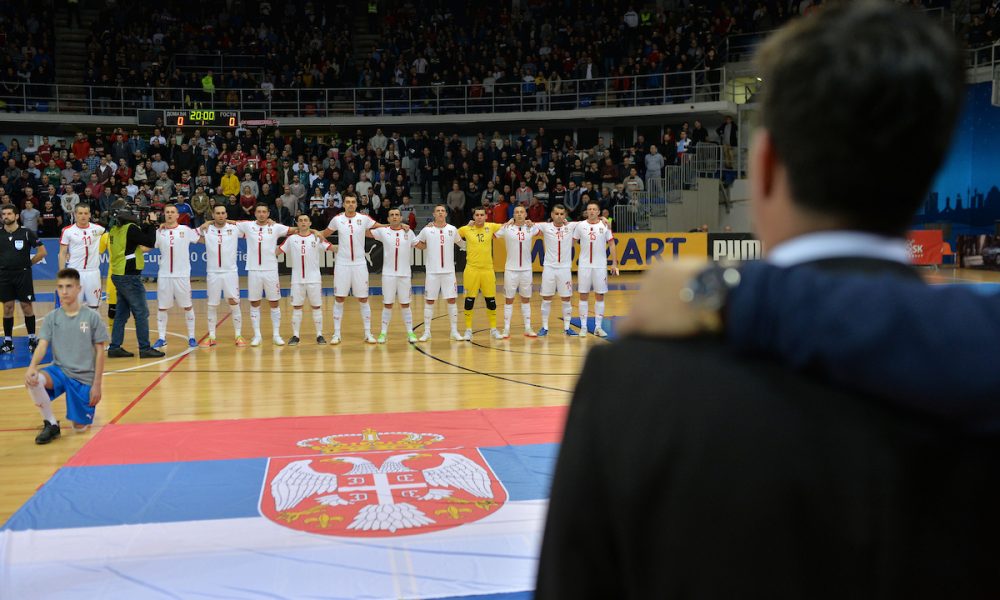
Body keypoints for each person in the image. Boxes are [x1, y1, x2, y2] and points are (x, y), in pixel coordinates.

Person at [537, 4, 1000, 598]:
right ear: (928, 170)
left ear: (766, 164)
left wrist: (722, 286)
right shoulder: (976, 365)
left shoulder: (630, 382)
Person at [24, 268, 108, 444]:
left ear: (78, 288)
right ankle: (51, 423)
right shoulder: (52, 317)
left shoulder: (92, 317)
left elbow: (100, 352)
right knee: (34, 380)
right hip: (59, 371)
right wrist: (32, 367)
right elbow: (42, 345)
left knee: (79, 428)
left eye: (69, 286)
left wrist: (97, 385)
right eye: (60, 287)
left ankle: (80, 409)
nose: (64, 291)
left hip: (84, 378)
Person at [106, 204, 165, 358]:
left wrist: (146, 225)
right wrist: (152, 224)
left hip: (119, 274)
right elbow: (150, 242)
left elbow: (138, 239)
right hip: (129, 276)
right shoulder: (130, 228)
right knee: (141, 312)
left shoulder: (114, 229)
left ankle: (114, 347)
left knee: (121, 313)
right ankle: (145, 348)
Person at [320, 193, 379, 345]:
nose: (351, 204)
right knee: (339, 298)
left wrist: (397, 226)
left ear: (356, 204)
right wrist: (327, 245)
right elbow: (323, 234)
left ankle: (368, 333)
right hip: (342, 264)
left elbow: (381, 227)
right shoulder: (337, 219)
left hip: (359, 264)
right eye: (348, 202)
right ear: (344, 204)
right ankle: (336, 334)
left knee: (363, 299)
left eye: (353, 202)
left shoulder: (364, 219)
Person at [236, 203, 290, 347]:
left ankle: (276, 335)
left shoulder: (276, 227)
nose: (261, 214)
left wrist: (314, 231)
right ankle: (257, 335)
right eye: (259, 211)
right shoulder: (247, 226)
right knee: (254, 302)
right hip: (254, 270)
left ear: (268, 213)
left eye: (264, 212)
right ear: (255, 213)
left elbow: (294, 231)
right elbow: (228, 223)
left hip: (271, 270)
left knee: (274, 302)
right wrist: (210, 222)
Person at [277, 214, 332, 346]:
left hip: (314, 279)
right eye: (300, 220)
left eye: (305, 220)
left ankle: (319, 334)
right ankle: (296, 335)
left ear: (310, 223)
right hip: (297, 280)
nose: (303, 222)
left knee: (316, 307)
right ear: (297, 223)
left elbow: (331, 248)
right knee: (297, 307)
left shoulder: (316, 237)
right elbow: (277, 251)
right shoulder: (291, 239)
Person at [0, 203, 46, 354]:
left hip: (23, 275)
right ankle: (8, 342)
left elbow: (42, 252)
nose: (6, 216)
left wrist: (28, 263)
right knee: (7, 308)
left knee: (27, 307)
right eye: (4, 214)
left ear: (16, 216)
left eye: (9, 214)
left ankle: (32, 339)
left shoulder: (26, 233)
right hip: (4, 276)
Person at [413, 205, 462, 342]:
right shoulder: (427, 229)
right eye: (438, 211)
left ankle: (454, 331)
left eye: (442, 211)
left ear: (446, 213)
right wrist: (425, 245)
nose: (440, 213)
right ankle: (427, 332)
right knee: (429, 301)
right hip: (432, 272)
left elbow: (462, 244)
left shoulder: (452, 229)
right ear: (434, 214)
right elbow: (418, 243)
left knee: (451, 300)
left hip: (449, 273)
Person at [198, 205, 245, 347]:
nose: (220, 215)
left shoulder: (235, 229)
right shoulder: (207, 229)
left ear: (226, 214)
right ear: (213, 214)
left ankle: (238, 335)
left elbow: (253, 227)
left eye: (223, 213)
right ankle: (211, 336)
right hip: (213, 273)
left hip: (230, 273)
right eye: (217, 213)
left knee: (234, 303)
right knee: (212, 305)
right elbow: (192, 233)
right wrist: (207, 223)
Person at [368, 208, 418, 343]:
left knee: (405, 304)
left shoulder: (409, 232)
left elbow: (421, 245)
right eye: (392, 215)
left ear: (401, 218)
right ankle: (383, 333)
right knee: (388, 304)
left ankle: (410, 333)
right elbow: (365, 231)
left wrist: (432, 227)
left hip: (404, 274)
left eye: (397, 215)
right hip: (388, 274)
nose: (394, 217)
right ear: (388, 219)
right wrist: (382, 225)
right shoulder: (383, 231)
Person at [152, 205, 198, 349]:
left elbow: (201, 235)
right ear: (164, 215)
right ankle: (161, 337)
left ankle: (191, 337)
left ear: (178, 215)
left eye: (172, 212)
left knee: (187, 306)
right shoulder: (159, 232)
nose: (170, 215)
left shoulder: (186, 230)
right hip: (165, 275)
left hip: (182, 275)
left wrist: (209, 223)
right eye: (167, 212)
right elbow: (148, 246)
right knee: (162, 307)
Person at [571, 201, 618, 337]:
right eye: (589, 209)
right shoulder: (581, 226)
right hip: (584, 265)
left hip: (600, 265)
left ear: (598, 212)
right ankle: (584, 327)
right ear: (587, 211)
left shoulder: (605, 225)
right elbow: (572, 243)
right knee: (583, 295)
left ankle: (598, 327)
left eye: (594, 209)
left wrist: (614, 263)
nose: (591, 211)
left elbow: (612, 244)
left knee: (600, 295)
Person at [456, 206, 503, 341]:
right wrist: (463, 245)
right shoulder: (466, 229)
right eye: (477, 215)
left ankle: (493, 329)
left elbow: (509, 226)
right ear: (473, 216)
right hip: (472, 270)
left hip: (488, 270)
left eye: (482, 215)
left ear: (486, 216)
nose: (479, 217)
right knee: (469, 300)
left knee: (491, 301)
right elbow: (450, 234)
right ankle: (468, 330)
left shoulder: (491, 226)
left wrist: (525, 222)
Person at [494, 206, 540, 338]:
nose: (519, 214)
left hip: (526, 269)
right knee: (509, 299)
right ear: (513, 214)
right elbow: (492, 233)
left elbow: (546, 228)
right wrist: (505, 223)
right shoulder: (507, 228)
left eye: (522, 212)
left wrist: (533, 223)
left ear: (526, 214)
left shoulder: (531, 228)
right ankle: (506, 328)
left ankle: (528, 327)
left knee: (526, 299)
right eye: (517, 212)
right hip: (511, 269)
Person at [535, 204, 579, 336]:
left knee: (566, 298)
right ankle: (545, 327)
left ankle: (567, 328)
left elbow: (590, 222)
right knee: (546, 297)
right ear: (552, 215)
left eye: (562, 214)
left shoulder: (571, 226)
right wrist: (512, 220)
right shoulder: (545, 227)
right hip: (549, 268)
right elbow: (526, 223)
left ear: (565, 215)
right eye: (557, 213)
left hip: (565, 269)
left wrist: (603, 219)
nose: (559, 216)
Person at [58, 204, 105, 311]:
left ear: (89, 215)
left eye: (86, 213)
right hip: (74, 272)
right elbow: (62, 253)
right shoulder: (67, 231)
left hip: (93, 272)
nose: (83, 216)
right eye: (80, 213)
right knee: (72, 307)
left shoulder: (98, 229)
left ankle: (92, 327)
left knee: (94, 307)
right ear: (75, 215)